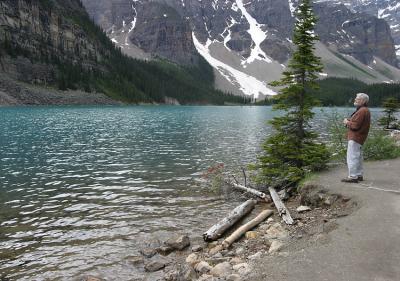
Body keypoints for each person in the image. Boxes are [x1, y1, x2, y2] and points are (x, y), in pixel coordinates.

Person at [341, 93, 371, 183]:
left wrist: (347, 122)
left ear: (363, 101)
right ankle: (358, 175)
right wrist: (350, 121)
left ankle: (353, 177)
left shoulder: (362, 111)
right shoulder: (364, 110)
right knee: (358, 157)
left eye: (357, 98)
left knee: (352, 157)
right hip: (360, 138)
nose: (355, 100)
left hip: (355, 138)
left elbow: (355, 126)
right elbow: (357, 123)